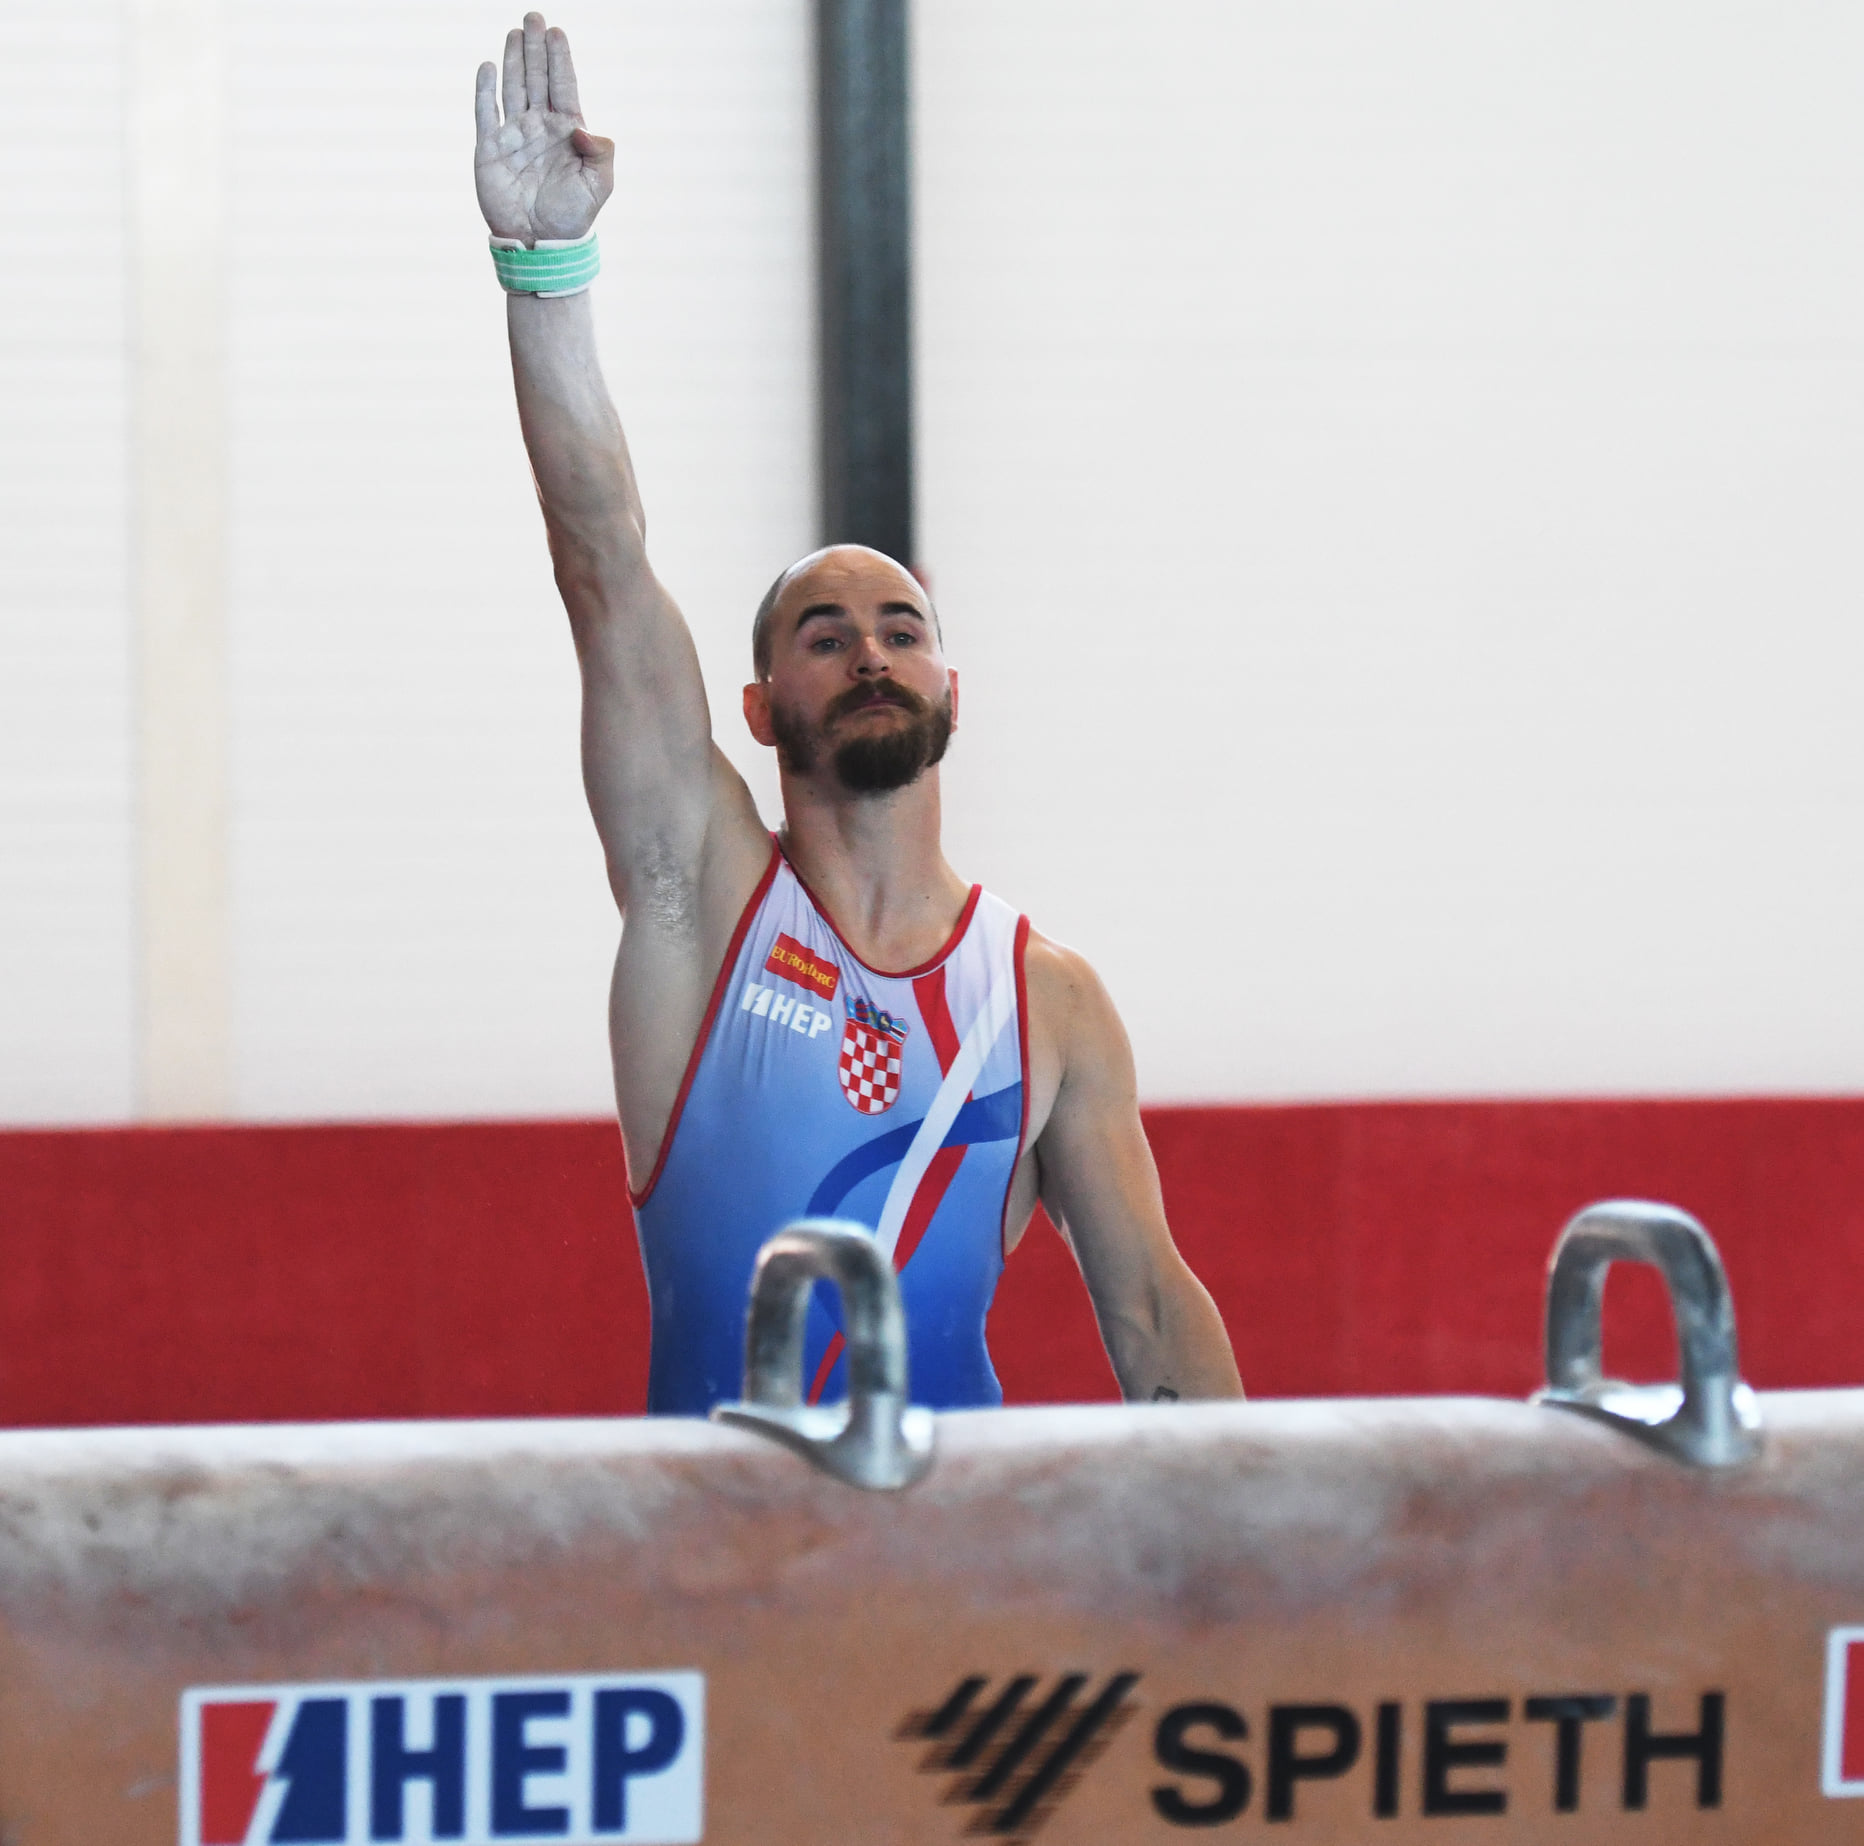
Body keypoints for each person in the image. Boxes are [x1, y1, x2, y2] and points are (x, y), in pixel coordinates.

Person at [475, 14, 1242, 1413]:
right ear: (761, 709)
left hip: (950, 1545)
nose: (872, 653)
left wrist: (1257, 1531)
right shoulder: (702, 896)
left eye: (903, 630)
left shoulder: (1048, 1000)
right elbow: (601, 561)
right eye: (824, 638)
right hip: (727, 1539)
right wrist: (547, 275)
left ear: (952, 689)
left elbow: (1147, 1306)